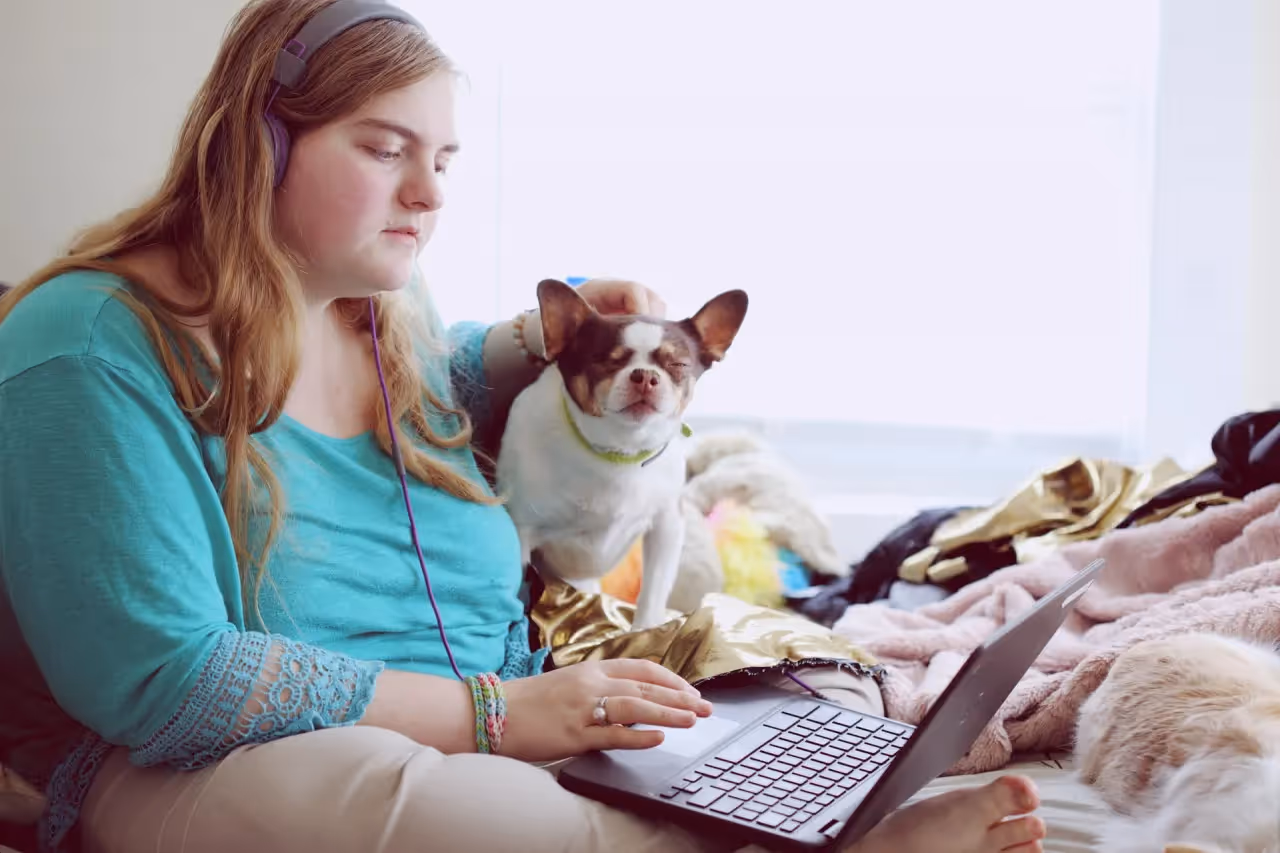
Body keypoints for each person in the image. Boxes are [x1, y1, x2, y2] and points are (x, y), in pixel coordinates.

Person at [0, 1, 1049, 851]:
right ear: (260, 144)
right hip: (216, 759)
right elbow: (169, 683)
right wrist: (500, 719)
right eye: (384, 148)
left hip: (494, 699)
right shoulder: (88, 346)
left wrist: (542, 338)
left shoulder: (374, 298)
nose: (427, 193)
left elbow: (435, 393)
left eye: (445, 160)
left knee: (805, 691)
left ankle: (764, 809)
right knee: (398, 800)